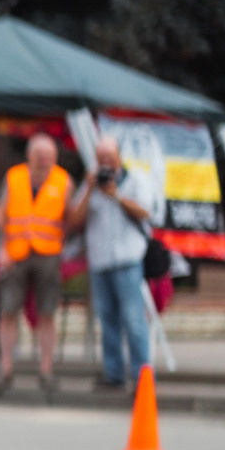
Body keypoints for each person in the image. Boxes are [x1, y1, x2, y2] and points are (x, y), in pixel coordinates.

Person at [0, 132, 70, 398]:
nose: (44, 161)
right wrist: (2, 247)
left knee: (47, 312)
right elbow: (0, 214)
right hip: (16, 252)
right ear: (29, 156)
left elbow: (71, 217)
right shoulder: (14, 177)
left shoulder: (64, 181)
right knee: (8, 310)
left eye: (49, 157)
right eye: (39, 156)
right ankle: (6, 368)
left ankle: (46, 370)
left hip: (48, 253)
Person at [66, 135, 152, 391]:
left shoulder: (136, 179)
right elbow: (73, 220)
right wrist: (90, 187)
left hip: (127, 258)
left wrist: (117, 194)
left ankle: (142, 377)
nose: (105, 162)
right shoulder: (90, 183)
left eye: (109, 157)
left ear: (118, 157)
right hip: (100, 260)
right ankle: (113, 374)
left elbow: (146, 212)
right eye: (100, 158)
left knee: (134, 319)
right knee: (107, 319)